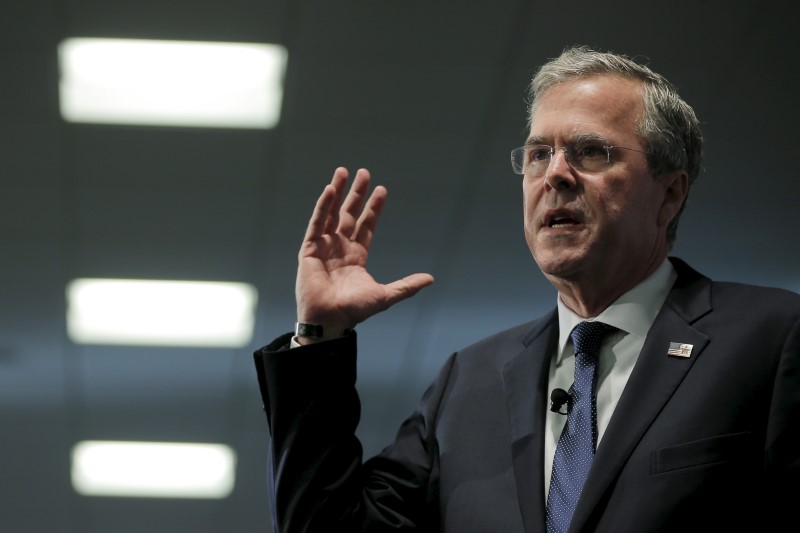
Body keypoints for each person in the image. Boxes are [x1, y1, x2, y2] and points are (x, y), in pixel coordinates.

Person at [253, 45, 800, 532]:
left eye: (590, 152)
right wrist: (320, 337)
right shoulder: (468, 383)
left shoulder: (770, 339)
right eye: (538, 154)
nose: (554, 175)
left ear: (670, 193)